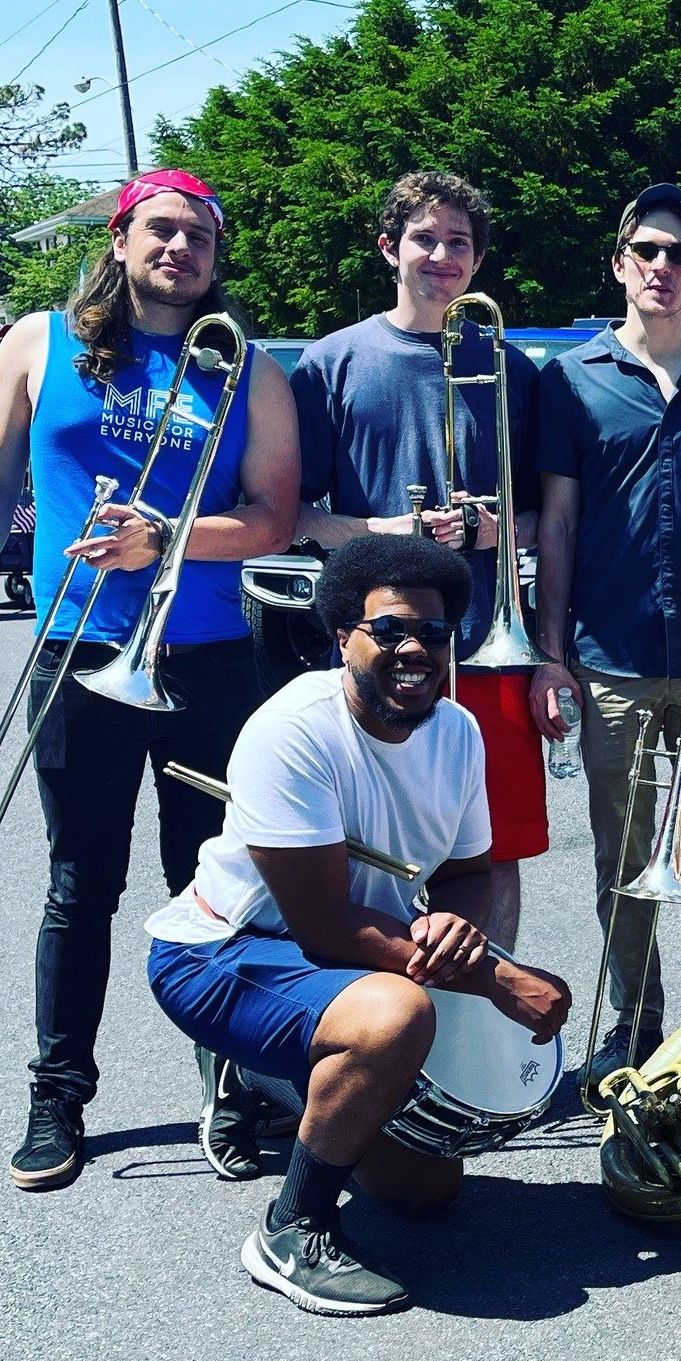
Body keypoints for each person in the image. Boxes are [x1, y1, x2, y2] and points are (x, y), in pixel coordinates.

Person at [0, 169, 302, 1192]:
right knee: (79, 883)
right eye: (162, 228)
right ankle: (58, 1092)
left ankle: (228, 1087)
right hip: (77, 647)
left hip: (206, 660)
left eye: (199, 235)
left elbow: (272, 518)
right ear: (122, 237)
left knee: (214, 885)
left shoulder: (249, 371)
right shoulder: (35, 340)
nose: (180, 248)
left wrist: (164, 540)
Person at [146, 535, 571, 1317]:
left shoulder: (457, 732)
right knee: (393, 1016)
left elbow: (468, 874)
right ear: (342, 636)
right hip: (224, 951)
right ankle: (290, 1230)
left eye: (434, 635)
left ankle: (281, 1074)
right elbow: (323, 923)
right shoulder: (294, 731)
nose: (414, 650)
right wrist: (496, 974)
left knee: (426, 1195)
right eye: (389, 630)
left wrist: (456, 928)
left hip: (342, 957)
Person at [529, 182, 681, 1091]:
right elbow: (555, 523)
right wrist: (550, 653)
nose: (661, 267)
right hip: (611, 661)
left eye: (677, 254)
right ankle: (634, 1027)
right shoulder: (571, 379)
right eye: (646, 251)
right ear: (621, 265)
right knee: (623, 860)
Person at [289, 170, 545, 950]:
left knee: (492, 850)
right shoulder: (329, 364)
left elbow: (547, 518)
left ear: (476, 261)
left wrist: (498, 532)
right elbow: (293, 516)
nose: (441, 254)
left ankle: (484, 1026)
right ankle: (392, 1028)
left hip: (488, 648)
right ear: (388, 248)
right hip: (378, 646)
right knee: (377, 851)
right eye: (424, 238)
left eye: (458, 242)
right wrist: (386, 534)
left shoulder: (515, 368)